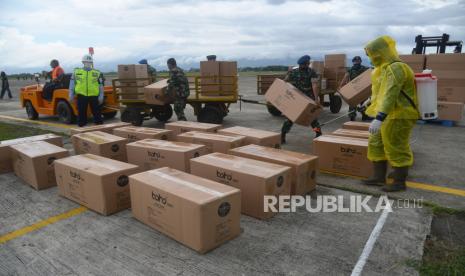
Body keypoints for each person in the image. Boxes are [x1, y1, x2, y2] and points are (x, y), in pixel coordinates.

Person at [363, 35, 420, 192]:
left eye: (371, 55)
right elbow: (381, 91)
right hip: (388, 113)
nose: (370, 58)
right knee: (376, 143)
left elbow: (391, 94)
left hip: (399, 114)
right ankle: (378, 177)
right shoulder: (384, 68)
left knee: (396, 147)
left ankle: (399, 182)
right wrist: (370, 101)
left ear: (380, 53)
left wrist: (379, 117)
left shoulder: (396, 68)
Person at [281, 55, 322, 144]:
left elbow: (285, 81)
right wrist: (316, 99)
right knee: (312, 118)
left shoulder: (293, 72)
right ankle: (318, 134)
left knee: (290, 118)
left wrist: (288, 73)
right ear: (307, 63)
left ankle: (283, 135)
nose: (307, 64)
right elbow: (314, 85)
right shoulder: (312, 72)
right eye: (307, 63)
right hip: (308, 99)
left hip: (297, 99)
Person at [69, 54, 104, 127]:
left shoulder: (97, 73)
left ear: (92, 63)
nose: (88, 63)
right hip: (81, 95)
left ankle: (100, 126)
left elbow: (101, 85)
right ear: (83, 62)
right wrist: (71, 95)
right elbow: (72, 84)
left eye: (90, 62)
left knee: (97, 113)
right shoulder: (76, 72)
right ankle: (82, 127)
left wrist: (101, 96)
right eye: (86, 62)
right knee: (81, 112)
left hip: (94, 96)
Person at [338, 56, 370, 121]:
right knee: (363, 103)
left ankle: (352, 117)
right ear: (360, 61)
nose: (357, 62)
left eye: (357, 61)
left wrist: (340, 86)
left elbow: (345, 77)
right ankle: (364, 116)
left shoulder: (350, 69)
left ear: (353, 62)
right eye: (357, 61)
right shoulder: (365, 68)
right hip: (363, 88)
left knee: (353, 103)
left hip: (354, 89)